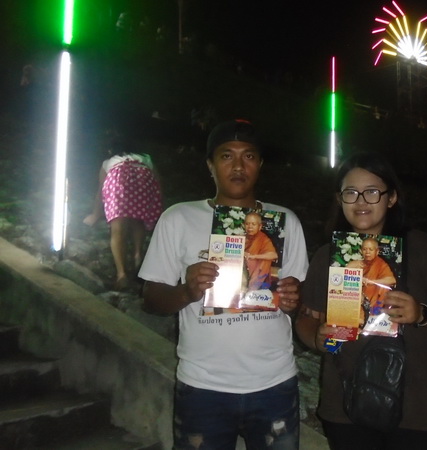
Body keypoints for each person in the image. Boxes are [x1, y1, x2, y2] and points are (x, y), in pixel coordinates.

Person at [138, 119, 309, 450]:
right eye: (227, 156)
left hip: (274, 384)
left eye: (249, 156)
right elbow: (150, 299)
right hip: (202, 388)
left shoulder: (285, 223)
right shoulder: (178, 218)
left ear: (260, 164)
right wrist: (187, 291)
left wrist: (293, 301)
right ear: (210, 165)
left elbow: (300, 307)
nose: (238, 166)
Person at [295, 152, 427, 450]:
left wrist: (421, 314)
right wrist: (316, 337)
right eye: (351, 192)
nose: (361, 201)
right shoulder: (328, 257)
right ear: (339, 199)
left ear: (391, 198)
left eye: (372, 192)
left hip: (416, 409)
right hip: (345, 406)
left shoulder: (424, 249)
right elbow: (306, 318)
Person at [83, 134, 163, 291]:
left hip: (118, 185)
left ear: (111, 149)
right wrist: (158, 205)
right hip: (143, 187)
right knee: (138, 220)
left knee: (117, 229)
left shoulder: (109, 162)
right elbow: (158, 182)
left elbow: (101, 191)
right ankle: (138, 255)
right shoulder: (145, 158)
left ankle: (121, 274)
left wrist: (95, 214)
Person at [347, 236, 398, 319]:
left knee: (384, 289)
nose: (367, 252)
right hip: (356, 298)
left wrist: (371, 281)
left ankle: (372, 314)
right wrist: (358, 278)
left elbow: (392, 280)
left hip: (372, 301)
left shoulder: (380, 264)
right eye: (364, 249)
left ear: (377, 251)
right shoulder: (354, 264)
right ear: (361, 251)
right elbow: (343, 278)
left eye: (370, 249)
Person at [244, 211, 278, 290]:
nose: (250, 227)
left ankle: (252, 287)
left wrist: (253, 256)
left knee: (264, 261)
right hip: (243, 270)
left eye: (253, 224)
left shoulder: (263, 239)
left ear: (260, 226)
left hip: (257, 274)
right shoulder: (243, 237)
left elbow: (274, 255)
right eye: (247, 224)